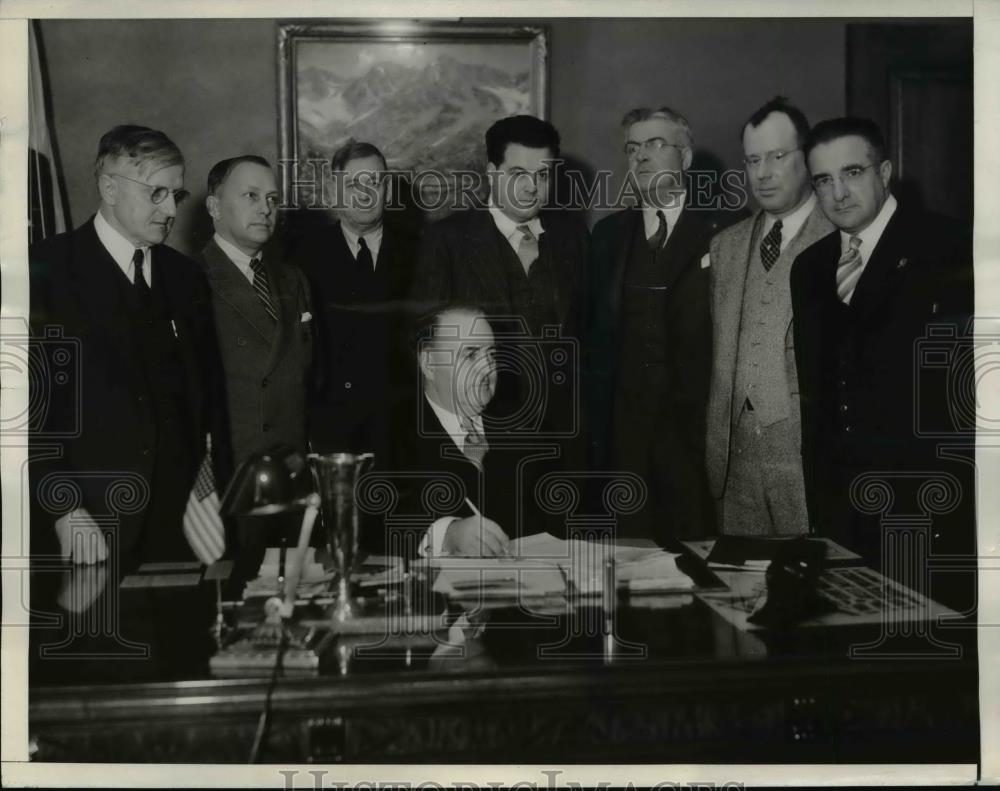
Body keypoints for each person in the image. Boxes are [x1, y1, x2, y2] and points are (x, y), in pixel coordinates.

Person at [790, 117, 974, 606]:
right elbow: (817, 396)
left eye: (852, 172)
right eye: (823, 181)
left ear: (885, 170)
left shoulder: (950, 246)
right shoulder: (809, 268)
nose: (838, 193)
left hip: (928, 505)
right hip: (842, 508)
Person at [29, 125, 231, 568]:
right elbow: (22, 414)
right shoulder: (45, 272)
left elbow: (202, 401)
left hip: (180, 527)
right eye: (156, 192)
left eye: (175, 195)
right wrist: (62, 506)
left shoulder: (186, 278)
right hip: (87, 524)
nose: (170, 209)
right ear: (109, 188)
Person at [587, 106, 724, 543]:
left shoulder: (727, 231)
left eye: (655, 144)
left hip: (697, 441)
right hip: (623, 442)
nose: (640, 157)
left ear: (685, 158)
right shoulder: (607, 235)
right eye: (632, 148)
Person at [411, 115, 588, 439]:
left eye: (542, 175)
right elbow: (427, 349)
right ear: (492, 173)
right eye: (518, 174)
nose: (531, 187)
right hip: (484, 431)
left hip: (565, 433)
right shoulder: (447, 240)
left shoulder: (572, 236)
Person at [705, 97, 834, 537]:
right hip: (733, 459)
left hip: (808, 458)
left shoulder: (842, 237)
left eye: (778, 157)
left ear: (808, 156)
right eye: (753, 159)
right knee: (741, 587)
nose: (762, 173)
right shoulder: (727, 245)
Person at [291, 141, 416, 458]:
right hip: (331, 432)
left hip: (404, 431)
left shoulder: (422, 253)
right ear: (334, 190)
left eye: (374, 183)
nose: (365, 194)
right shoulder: (301, 258)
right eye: (352, 184)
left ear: (386, 189)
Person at [371, 304, 519, 559]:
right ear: (429, 364)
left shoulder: (525, 429)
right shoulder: (385, 435)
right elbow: (370, 527)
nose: (487, 369)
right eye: (471, 355)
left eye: (492, 355)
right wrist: (446, 535)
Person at [196, 155, 312, 466]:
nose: (265, 208)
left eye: (272, 198)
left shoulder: (293, 279)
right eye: (251, 196)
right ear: (214, 207)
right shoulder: (189, 279)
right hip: (229, 473)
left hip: (292, 469)